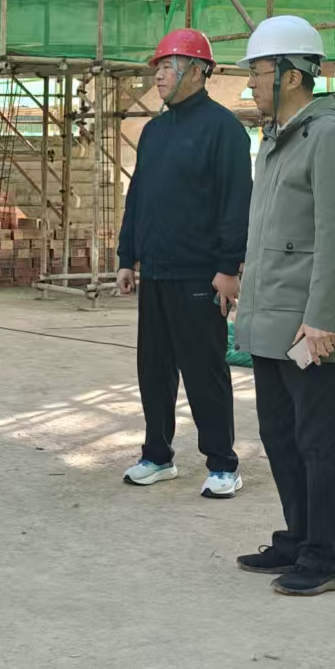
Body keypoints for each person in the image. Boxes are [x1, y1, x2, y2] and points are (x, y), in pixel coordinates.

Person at [234, 15, 335, 596]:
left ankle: (325, 555)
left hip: (310, 327)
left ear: (291, 75)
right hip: (271, 319)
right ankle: (299, 534)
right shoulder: (277, 138)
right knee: (281, 436)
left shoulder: (329, 134)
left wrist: (321, 320)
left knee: (321, 442)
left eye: (258, 72)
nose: (251, 83)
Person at [117, 28, 252, 499]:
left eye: (167, 67)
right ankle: (157, 455)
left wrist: (229, 268)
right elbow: (138, 197)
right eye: (156, 68)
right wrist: (127, 256)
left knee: (203, 371)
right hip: (155, 271)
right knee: (153, 369)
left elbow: (237, 203)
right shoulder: (155, 132)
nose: (158, 76)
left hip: (200, 273)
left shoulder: (224, 130)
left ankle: (223, 463)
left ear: (197, 72)